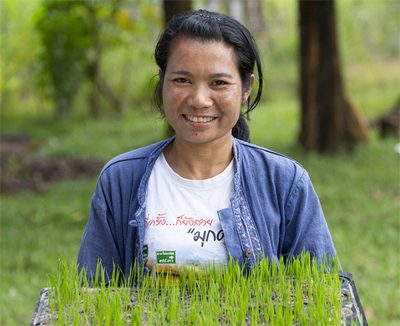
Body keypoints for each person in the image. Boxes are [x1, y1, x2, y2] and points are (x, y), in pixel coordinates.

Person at [77, 9, 336, 281]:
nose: (199, 99)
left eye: (219, 83)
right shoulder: (120, 180)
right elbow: (90, 297)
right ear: (162, 81)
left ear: (246, 88)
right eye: (182, 80)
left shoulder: (285, 182)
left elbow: (323, 294)